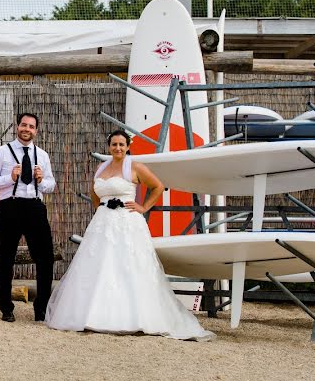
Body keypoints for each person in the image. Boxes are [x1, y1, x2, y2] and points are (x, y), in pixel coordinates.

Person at [45, 130, 214, 341]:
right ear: (109, 146)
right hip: (103, 224)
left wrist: (143, 207)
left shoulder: (135, 167)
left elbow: (158, 186)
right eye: (114, 144)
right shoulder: (102, 167)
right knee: (99, 266)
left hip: (127, 223)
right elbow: (95, 193)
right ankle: (93, 315)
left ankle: (135, 317)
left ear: (127, 146)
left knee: (128, 266)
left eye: (121, 145)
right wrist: (101, 210)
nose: (117, 148)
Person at [0, 113, 56, 323]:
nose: (27, 129)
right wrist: (10, 178)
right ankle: (6, 308)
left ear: (36, 131)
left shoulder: (42, 155)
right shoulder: (1, 152)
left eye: (31, 126)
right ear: (17, 126)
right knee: (6, 258)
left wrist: (42, 181)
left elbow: (51, 185)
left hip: (35, 206)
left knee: (45, 258)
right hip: (10, 207)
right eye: (24, 125)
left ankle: (40, 308)